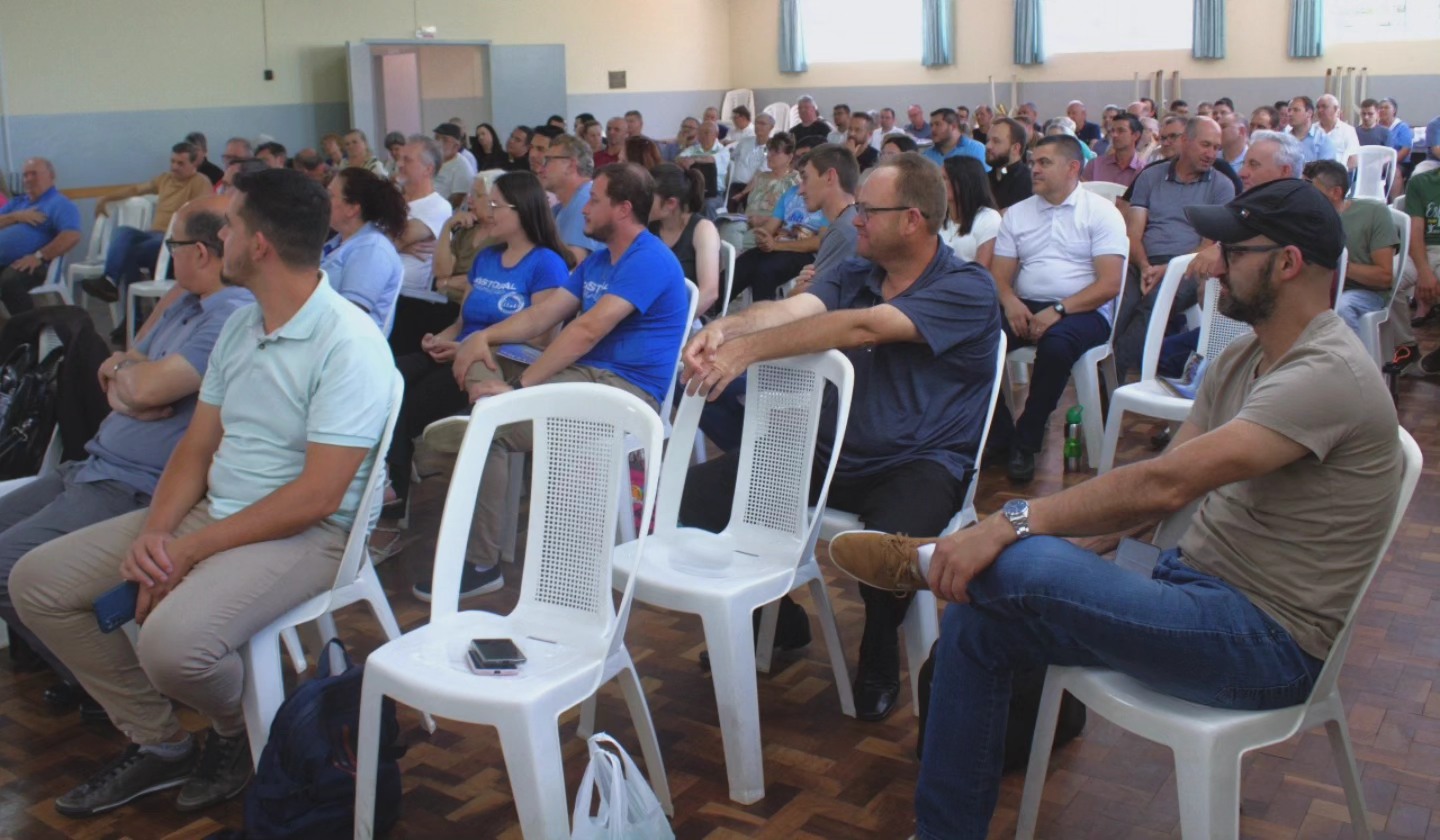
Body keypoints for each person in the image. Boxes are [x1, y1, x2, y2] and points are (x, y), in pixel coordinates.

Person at [826, 179, 1401, 839]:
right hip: (1191, 585)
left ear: (1288, 263)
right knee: (983, 622)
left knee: (1024, 560)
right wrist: (1076, 548)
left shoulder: (1327, 372)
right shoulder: (1245, 357)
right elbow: (1158, 494)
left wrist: (1013, 525)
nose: (1211, 265)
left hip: (1268, 644)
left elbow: (1165, 483)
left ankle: (930, 561)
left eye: (1232, 251)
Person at [11, 168, 396, 818]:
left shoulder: (347, 343)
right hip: (218, 510)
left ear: (259, 245)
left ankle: (232, 730)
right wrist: (158, 535)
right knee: (37, 584)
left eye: (231, 227)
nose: (222, 240)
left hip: (311, 534)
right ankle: (160, 742)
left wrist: (188, 551)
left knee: (170, 645)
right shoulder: (244, 327)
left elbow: (320, 496)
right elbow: (195, 448)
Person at [680, 152, 1003, 722]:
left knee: (890, 550)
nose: (855, 219)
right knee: (693, 502)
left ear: (913, 219)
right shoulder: (857, 271)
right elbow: (795, 310)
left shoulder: (967, 287)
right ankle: (777, 616)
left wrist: (746, 353)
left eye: (869, 212)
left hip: (920, 460)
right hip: (827, 450)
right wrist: (726, 328)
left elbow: (864, 326)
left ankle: (879, 650)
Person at [0, 196, 251, 718]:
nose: (167, 255)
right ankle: (80, 667)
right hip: (92, 467)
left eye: (174, 245)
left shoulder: (230, 314)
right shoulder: (187, 301)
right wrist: (126, 381)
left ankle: (115, 688)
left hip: (131, 485)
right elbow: (127, 361)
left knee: (6, 563)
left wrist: (130, 383)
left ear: (202, 253)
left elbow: (146, 385)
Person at [432, 163, 690, 598]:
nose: (583, 208)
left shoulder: (648, 258)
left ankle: (481, 562)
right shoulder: (600, 260)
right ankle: (462, 433)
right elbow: (544, 315)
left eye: (595, 200)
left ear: (624, 209)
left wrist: (519, 390)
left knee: (489, 426)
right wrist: (483, 337)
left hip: (624, 392)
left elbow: (586, 330)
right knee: (484, 375)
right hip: (586, 378)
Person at [386, 171, 574, 510]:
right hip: (457, 352)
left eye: (496, 205)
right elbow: (462, 322)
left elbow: (542, 338)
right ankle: (394, 483)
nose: (487, 212)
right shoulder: (487, 258)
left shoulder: (547, 263)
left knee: (410, 403)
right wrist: (438, 340)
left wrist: (465, 347)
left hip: (494, 363)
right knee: (388, 379)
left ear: (521, 211)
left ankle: (399, 491)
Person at [987, 135, 1128, 483]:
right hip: (1025, 304)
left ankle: (1026, 440)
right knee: (976, 338)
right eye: (1033, 162)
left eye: (1044, 162)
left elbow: (1110, 284)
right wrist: (1011, 302)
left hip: (1086, 309)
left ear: (1072, 168)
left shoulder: (1101, 213)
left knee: (1057, 346)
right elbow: (998, 277)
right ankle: (999, 433)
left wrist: (1060, 310)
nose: (1034, 169)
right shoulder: (1018, 213)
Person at [1113, 117, 1235, 379]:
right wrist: (1145, 266)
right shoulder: (1151, 177)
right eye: (1205, 145)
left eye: (1216, 148)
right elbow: (1133, 233)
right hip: (1142, 261)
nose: (1211, 154)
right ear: (1185, 141)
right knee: (1121, 303)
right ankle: (1110, 374)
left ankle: (1118, 376)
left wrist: (1168, 269)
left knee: (1153, 305)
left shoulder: (1222, 186)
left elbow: (1206, 248)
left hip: (1188, 268)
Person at [730, 144, 856, 304]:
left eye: (806, 179)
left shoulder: (844, 233)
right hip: (785, 248)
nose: (800, 190)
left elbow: (813, 302)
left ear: (830, 177)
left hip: (801, 255)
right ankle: (710, 308)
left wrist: (795, 294)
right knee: (745, 262)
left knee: (766, 270)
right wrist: (764, 237)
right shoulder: (844, 225)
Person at [87, 142, 212, 302]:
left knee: (127, 253)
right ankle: (110, 282)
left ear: (194, 164)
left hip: (173, 241)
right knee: (123, 232)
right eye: (172, 161)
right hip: (153, 236)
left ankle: (128, 306)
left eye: (180, 163)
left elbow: (202, 213)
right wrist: (106, 198)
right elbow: (135, 190)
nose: (174, 167)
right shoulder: (164, 179)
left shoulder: (200, 182)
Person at [1303, 159, 1399, 338]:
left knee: (1342, 306)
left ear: (1335, 192)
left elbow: (1384, 277)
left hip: (1364, 292)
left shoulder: (1373, 212)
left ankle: (1351, 356)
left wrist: (1339, 267)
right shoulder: (1305, 217)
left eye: (1310, 188)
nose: (1304, 195)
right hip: (1320, 288)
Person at [389, 135, 460, 355]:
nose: (399, 164)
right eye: (400, 158)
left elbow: (396, 238)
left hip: (411, 301)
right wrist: (400, 245)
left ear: (428, 169)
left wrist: (397, 243)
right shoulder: (393, 201)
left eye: (407, 160)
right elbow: (371, 239)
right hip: (387, 290)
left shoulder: (437, 206)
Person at [321, 167, 407, 333]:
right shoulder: (338, 241)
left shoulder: (373, 249)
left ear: (352, 208)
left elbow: (351, 315)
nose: (323, 200)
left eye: (330, 195)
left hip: (345, 344)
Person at [0, 158, 82, 316]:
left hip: (34, 262)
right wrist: (16, 216)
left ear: (51, 176)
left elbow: (72, 235)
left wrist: (39, 256)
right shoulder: (18, 203)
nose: (28, 179)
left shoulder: (60, 203)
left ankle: (30, 329)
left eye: (34, 174)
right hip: (6, 261)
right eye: (25, 175)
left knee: (9, 281)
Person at [649, 163, 721, 314]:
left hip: (689, 316)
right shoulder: (649, 225)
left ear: (670, 203)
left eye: (648, 197)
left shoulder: (703, 229)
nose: (640, 201)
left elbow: (709, 293)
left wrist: (674, 323)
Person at [721, 132, 801, 253]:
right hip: (747, 223)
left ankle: (733, 261)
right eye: (768, 151)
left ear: (789, 157)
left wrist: (766, 220)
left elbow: (796, 215)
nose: (769, 156)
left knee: (738, 240)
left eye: (775, 152)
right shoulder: (761, 177)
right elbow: (750, 206)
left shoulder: (795, 181)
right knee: (725, 229)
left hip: (772, 229)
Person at [537, 133, 602, 263]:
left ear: (571, 166)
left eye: (548, 160)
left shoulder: (585, 201)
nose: (540, 169)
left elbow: (573, 266)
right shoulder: (563, 206)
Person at [432, 175, 497, 303]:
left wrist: (446, 282)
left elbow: (488, 281)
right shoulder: (467, 229)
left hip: (477, 306)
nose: (469, 201)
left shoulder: (504, 236)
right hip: (444, 301)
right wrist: (447, 227)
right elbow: (441, 272)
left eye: (477, 195)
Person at [939, 156, 1001, 267]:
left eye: (944, 178)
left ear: (963, 182)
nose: (937, 183)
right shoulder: (938, 216)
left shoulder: (989, 218)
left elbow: (980, 271)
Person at [985, 117, 1033, 210]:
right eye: (987, 140)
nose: (988, 146)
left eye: (996, 141)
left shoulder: (1029, 182)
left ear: (1015, 148)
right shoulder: (984, 179)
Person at [676, 121, 730, 199]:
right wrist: (683, 161)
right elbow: (678, 158)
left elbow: (711, 160)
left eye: (707, 132)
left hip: (715, 193)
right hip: (693, 190)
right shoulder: (694, 148)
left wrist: (694, 160)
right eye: (700, 133)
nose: (703, 135)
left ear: (716, 135)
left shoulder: (723, 150)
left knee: (708, 204)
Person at [924, 109, 988, 170]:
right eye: (931, 125)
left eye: (937, 124)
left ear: (953, 126)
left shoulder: (976, 150)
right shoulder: (927, 156)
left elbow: (986, 176)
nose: (932, 129)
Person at [433, 123, 479, 206]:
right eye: (436, 138)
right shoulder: (432, 160)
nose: (438, 143)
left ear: (456, 146)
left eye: (445, 140)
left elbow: (458, 200)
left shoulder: (462, 166)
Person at [1285, 96, 1338, 164]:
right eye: (1289, 110)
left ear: (1309, 113)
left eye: (1296, 110)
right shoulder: (1283, 138)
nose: (1290, 114)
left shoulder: (1322, 141)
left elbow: (1325, 169)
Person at [1316, 94, 1361, 167]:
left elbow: (1354, 159)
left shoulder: (1348, 130)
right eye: (1318, 107)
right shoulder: (1312, 130)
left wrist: (1341, 171)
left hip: (1339, 171)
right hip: (1314, 171)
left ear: (1336, 109)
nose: (1320, 110)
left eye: (1324, 107)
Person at [1377, 97, 1413, 165]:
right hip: (1377, 163)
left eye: (1386, 107)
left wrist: (1389, 164)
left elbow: (1406, 149)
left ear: (1394, 110)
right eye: (1380, 108)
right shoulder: (1375, 127)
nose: (1382, 110)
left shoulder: (1403, 127)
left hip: (1398, 163)